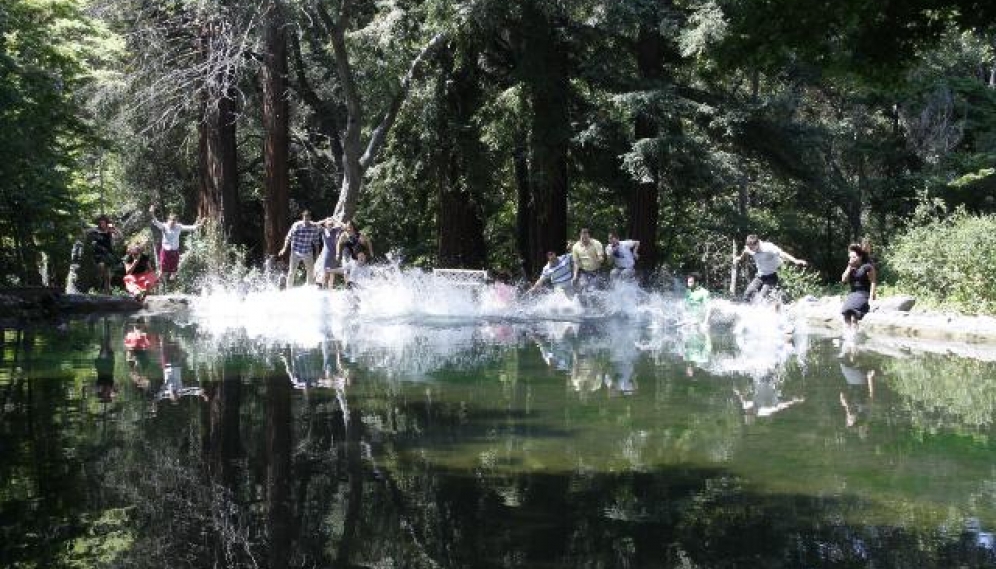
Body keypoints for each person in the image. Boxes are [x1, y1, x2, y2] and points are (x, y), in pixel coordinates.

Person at [735, 234, 807, 303]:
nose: (751, 250)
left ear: (757, 244)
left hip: (771, 276)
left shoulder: (768, 247)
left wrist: (795, 261)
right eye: (750, 248)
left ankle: (773, 308)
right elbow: (746, 250)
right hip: (760, 276)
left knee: (761, 297)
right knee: (747, 294)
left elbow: (782, 253)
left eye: (752, 248)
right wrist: (740, 258)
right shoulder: (750, 248)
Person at [149, 205, 202, 287]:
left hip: (174, 251)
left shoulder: (178, 227)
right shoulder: (164, 226)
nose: (173, 223)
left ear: (176, 221)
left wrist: (198, 226)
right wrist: (152, 213)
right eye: (171, 221)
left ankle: (172, 281)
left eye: (174, 221)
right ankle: (155, 283)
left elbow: (189, 228)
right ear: (168, 220)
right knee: (162, 271)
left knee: (174, 271)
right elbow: (156, 222)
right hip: (165, 251)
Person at [278, 210, 322, 287]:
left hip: (307, 251)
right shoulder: (296, 225)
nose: (306, 219)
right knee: (292, 271)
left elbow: (316, 242)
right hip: (296, 251)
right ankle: (289, 288)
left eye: (308, 217)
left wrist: (317, 255)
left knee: (311, 271)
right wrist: (284, 248)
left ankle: (310, 288)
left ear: (310, 218)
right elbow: (288, 237)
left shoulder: (314, 228)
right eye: (305, 217)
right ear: (302, 217)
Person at [841, 243, 877, 335]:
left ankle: (854, 337)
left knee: (853, 316)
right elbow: (843, 280)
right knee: (846, 314)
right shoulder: (851, 268)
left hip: (863, 294)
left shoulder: (867, 267)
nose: (851, 259)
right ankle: (848, 336)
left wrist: (872, 296)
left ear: (860, 257)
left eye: (854, 257)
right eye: (850, 257)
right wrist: (849, 267)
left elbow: (873, 281)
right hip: (852, 294)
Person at [86, 215, 122, 294]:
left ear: (106, 223)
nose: (102, 224)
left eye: (103, 223)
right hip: (98, 253)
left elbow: (120, 236)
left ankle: (107, 292)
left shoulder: (109, 230)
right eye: (100, 223)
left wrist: (114, 228)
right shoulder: (96, 230)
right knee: (101, 267)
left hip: (108, 252)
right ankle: (99, 281)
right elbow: (87, 232)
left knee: (107, 275)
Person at [315, 217, 345, 288]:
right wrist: (325, 220)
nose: (330, 225)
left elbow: (344, 226)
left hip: (334, 254)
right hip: (326, 254)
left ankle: (330, 289)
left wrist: (335, 220)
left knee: (332, 272)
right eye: (329, 224)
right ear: (325, 225)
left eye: (331, 224)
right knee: (325, 271)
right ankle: (323, 287)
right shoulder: (323, 230)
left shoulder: (335, 230)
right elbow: (316, 224)